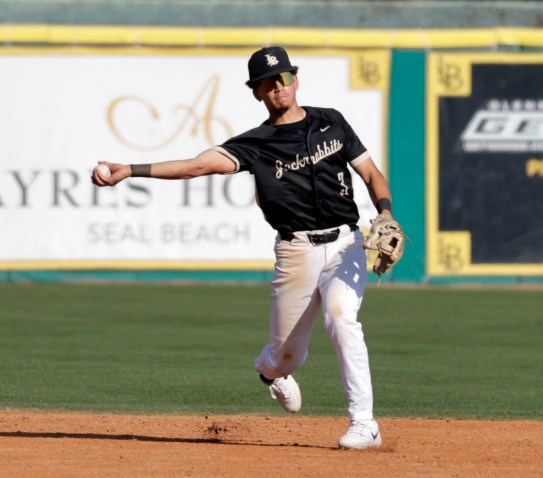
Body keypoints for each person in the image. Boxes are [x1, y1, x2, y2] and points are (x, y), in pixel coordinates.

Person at [92, 46, 400, 450]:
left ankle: (365, 423)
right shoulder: (256, 144)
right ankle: (271, 373)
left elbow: (371, 173)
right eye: (268, 83)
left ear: (296, 79)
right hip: (296, 252)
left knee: (342, 318)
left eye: (284, 78)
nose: (278, 88)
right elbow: (197, 166)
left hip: (347, 243)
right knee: (287, 355)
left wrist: (386, 212)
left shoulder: (332, 122)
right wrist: (131, 170)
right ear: (257, 92)